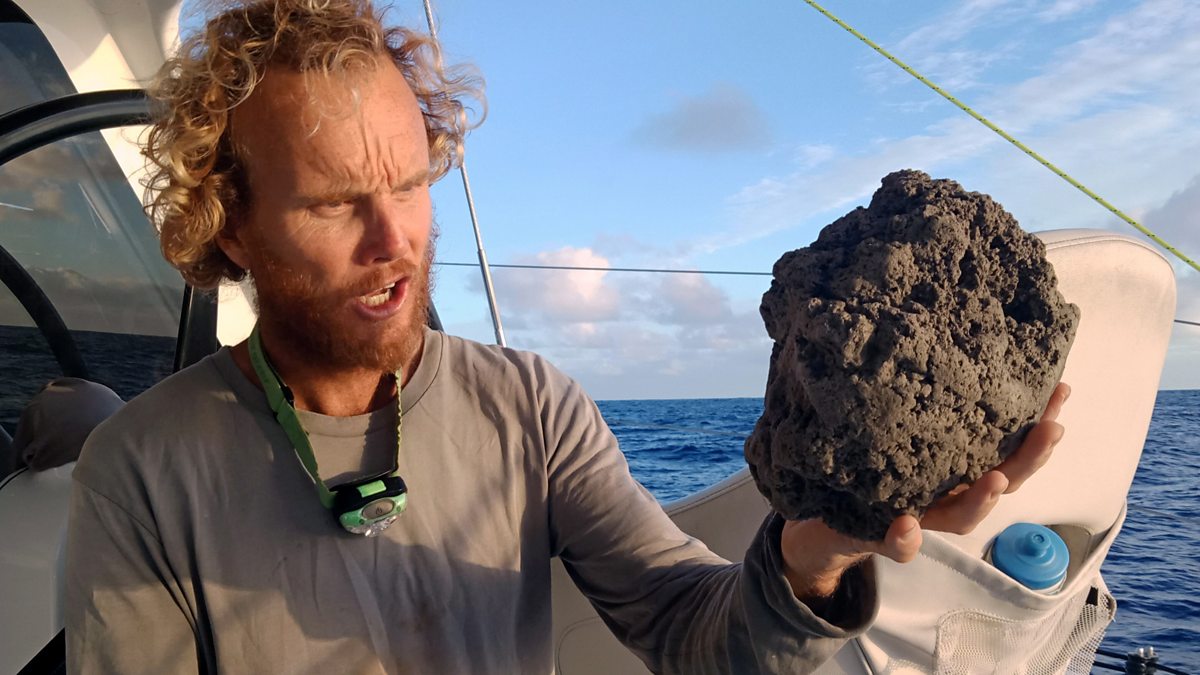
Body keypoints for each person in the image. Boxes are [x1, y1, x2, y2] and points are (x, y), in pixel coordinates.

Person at [64, 1, 1069, 673]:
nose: (396, 243)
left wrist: (813, 558)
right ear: (229, 221)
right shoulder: (141, 469)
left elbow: (690, 630)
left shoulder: (530, 406)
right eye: (334, 206)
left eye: (412, 184)